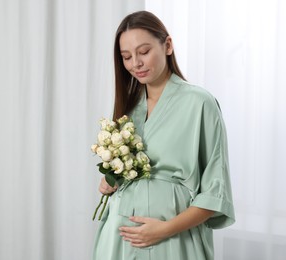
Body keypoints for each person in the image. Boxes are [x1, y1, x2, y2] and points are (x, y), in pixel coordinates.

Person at [92, 10, 235, 260]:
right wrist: (110, 179)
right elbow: (125, 173)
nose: (135, 63)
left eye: (144, 52)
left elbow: (215, 192)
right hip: (119, 239)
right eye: (126, 57)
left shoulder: (200, 103)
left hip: (175, 240)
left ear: (167, 45)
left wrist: (164, 229)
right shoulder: (128, 109)